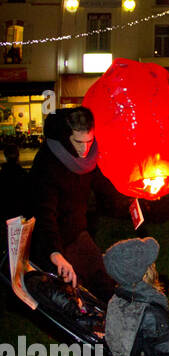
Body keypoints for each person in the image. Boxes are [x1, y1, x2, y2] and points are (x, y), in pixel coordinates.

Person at [29, 107, 127, 303]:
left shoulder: (89, 157)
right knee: (73, 295)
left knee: (103, 280)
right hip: (54, 239)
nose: (85, 149)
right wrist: (54, 253)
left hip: (77, 233)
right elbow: (44, 213)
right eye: (79, 142)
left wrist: (132, 200)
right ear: (66, 137)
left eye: (90, 141)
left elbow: (103, 188)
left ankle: (117, 324)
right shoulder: (49, 163)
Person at [1, 140, 30, 222]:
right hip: (21, 216)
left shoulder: (2, 174)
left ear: (5, 157)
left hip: (5, 216)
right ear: (18, 156)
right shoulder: (23, 174)